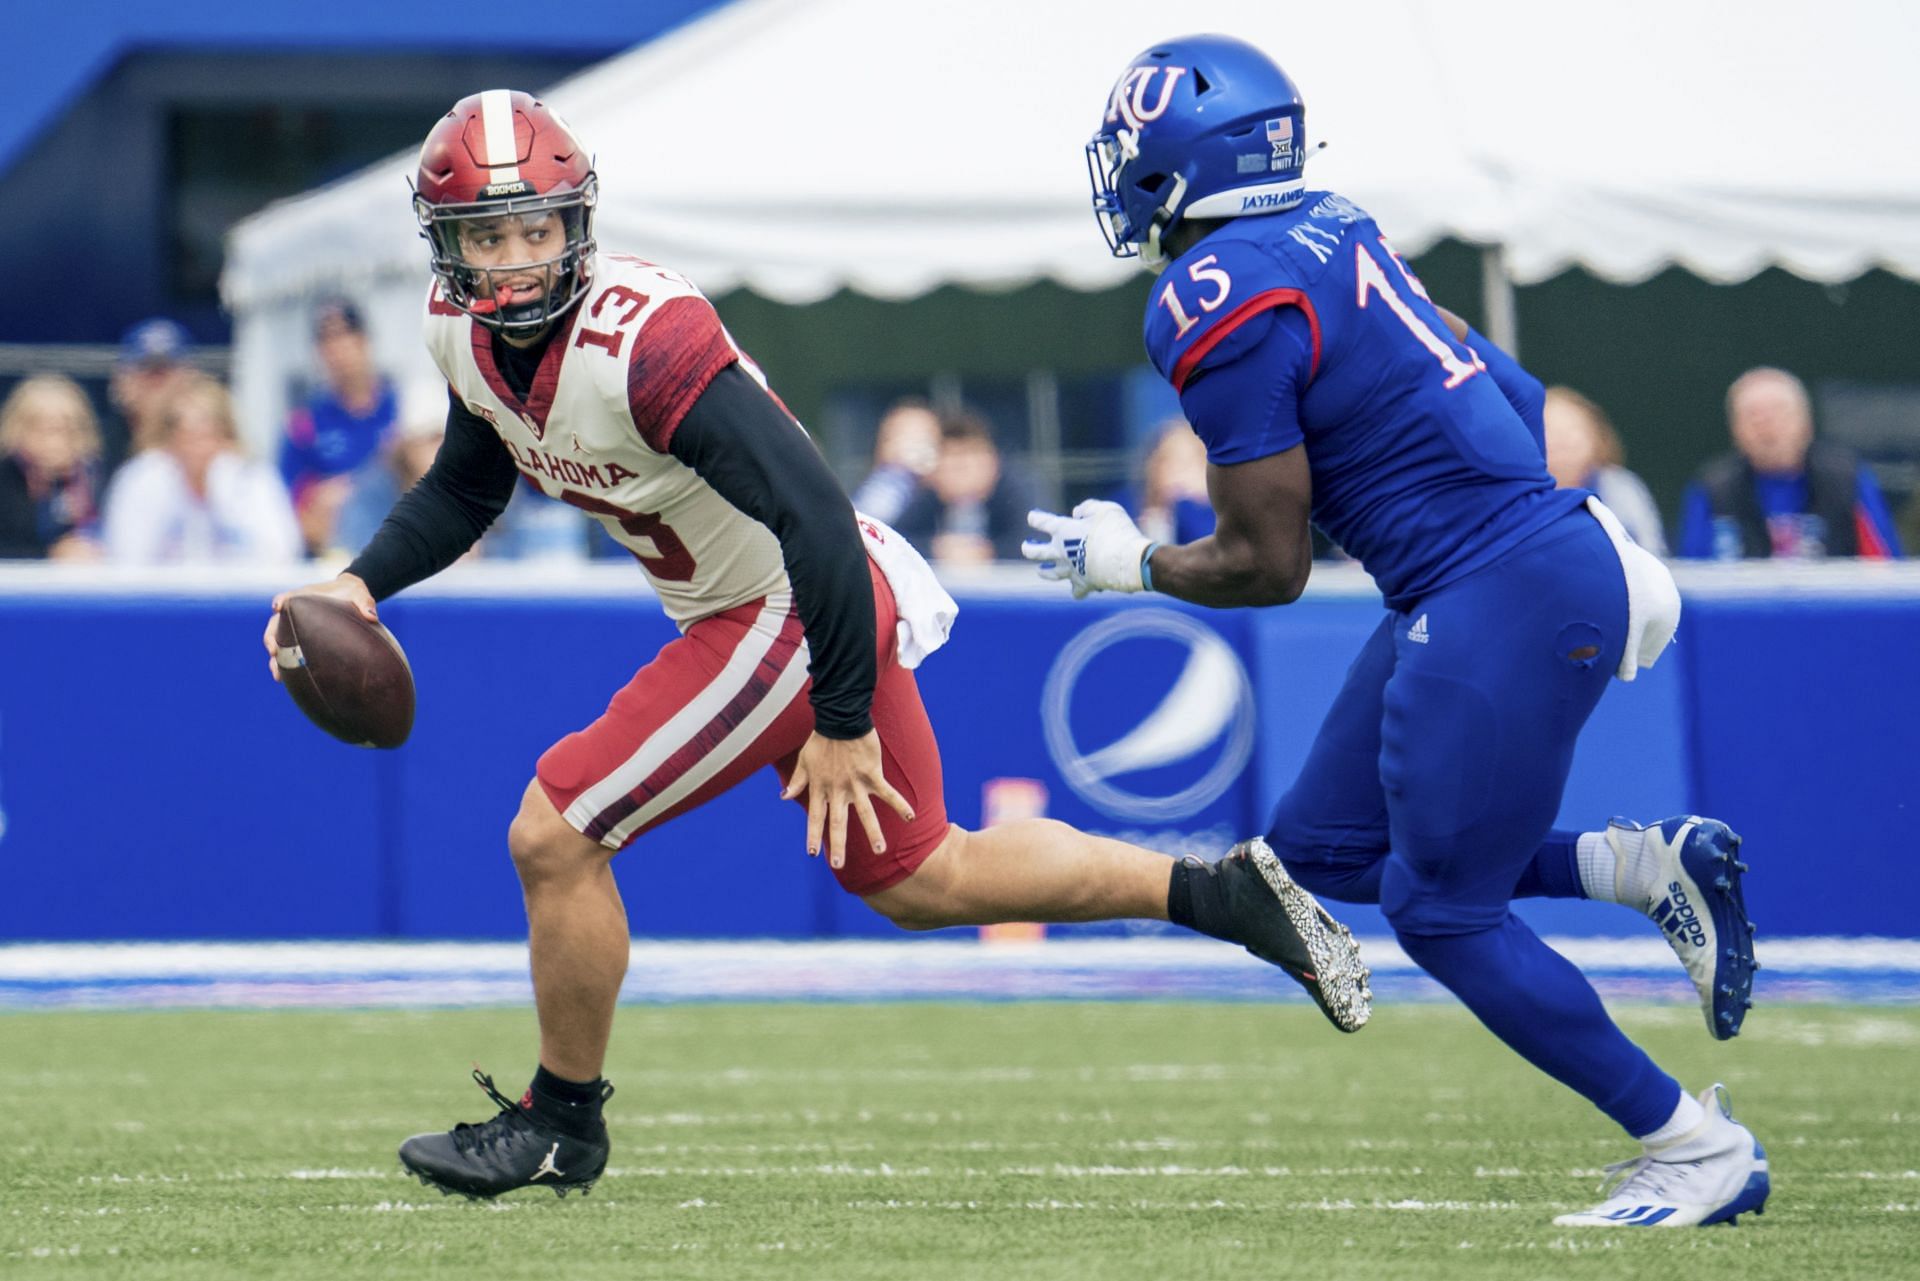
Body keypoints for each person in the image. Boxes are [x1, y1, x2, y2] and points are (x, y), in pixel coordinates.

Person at [260, 90, 1370, 1203]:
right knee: (924, 875)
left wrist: (839, 720)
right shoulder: (462, 336)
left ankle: (562, 1122)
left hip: (794, 602)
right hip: (769, 605)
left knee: (556, 831)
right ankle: (1223, 892)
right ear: (445, 245)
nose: (513, 258)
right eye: (486, 236)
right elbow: (467, 481)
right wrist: (358, 584)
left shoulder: (643, 340)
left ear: (575, 221)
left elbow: (819, 524)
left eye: (534, 228)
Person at [1027, 36, 1766, 1229]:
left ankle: (1694, 1147)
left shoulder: (1211, 292)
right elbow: (1511, 393)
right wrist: (1557, 526)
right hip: (1512, 566)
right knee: (1311, 852)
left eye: (1134, 154)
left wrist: (1130, 564)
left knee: (1440, 911)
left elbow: (1268, 564)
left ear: (1184, 163)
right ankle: (1631, 865)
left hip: (1496, 589)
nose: (1123, 176)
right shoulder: (1330, 220)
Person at [1678, 367, 1901, 559]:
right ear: (1735, 430)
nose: (1766, 426)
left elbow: (1884, 574)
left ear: (1806, 423)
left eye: (1779, 413)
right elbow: (1694, 577)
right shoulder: (1714, 488)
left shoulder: (1846, 479)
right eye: (1753, 416)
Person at [102, 372, 301, 565]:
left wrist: (223, 496)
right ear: (167, 436)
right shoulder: (140, 478)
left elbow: (281, 553)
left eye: (206, 433)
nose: (195, 446)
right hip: (157, 596)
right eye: (184, 433)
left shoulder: (252, 478)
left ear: (226, 435)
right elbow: (125, 557)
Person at [280, 298, 399, 558]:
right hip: (335, 550)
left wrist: (353, 489)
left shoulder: (402, 407)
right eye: (327, 342)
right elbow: (292, 503)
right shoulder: (305, 421)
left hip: (399, 538)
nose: (338, 350)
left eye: (346, 337)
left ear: (364, 341)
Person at [891, 409, 1036, 565]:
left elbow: (1038, 543)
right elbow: (894, 542)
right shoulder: (927, 494)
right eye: (953, 462)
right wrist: (935, 549)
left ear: (993, 462)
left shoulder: (1016, 490)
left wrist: (987, 552)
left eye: (970, 460)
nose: (962, 473)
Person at [1542, 387, 1667, 555]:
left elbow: (1651, 554)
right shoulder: (1516, 492)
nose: (1561, 441)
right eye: (1549, 430)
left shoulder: (1621, 488)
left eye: (1572, 430)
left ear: (1596, 436)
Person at [0, 374, 105, 560]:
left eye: (65, 430)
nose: (53, 442)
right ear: (17, 429)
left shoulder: (96, 479)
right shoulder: (5, 481)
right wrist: (51, 555)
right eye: (42, 429)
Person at [102, 318, 194, 477]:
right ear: (121, 380)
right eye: (146, 371)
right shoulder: (102, 447)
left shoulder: (206, 444)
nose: (156, 386)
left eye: (164, 372)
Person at [849, 398, 940, 524]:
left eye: (922, 439)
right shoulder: (883, 488)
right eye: (903, 438)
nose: (913, 450)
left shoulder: (951, 502)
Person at [1136, 418, 1215, 545]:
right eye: (1169, 464)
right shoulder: (1137, 521)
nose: (1180, 474)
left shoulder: (1220, 523)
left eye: (1189, 464)